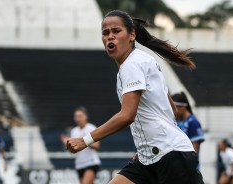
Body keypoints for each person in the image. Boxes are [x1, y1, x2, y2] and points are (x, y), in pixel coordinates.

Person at [66, 10, 204, 184]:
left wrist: (85, 140)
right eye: (106, 32)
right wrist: (147, 145)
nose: (110, 37)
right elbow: (172, 109)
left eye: (116, 31)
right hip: (149, 159)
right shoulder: (141, 61)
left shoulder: (132, 64)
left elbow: (127, 115)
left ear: (132, 35)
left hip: (172, 156)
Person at [61, 107, 100, 184]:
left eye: (80, 116)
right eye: (76, 116)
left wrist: (83, 141)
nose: (78, 118)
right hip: (79, 165)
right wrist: (68, 145)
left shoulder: (91, 128)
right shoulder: (74, 131)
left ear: (86, 116)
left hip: (91, 163)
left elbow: (96, 146)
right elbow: (73, 151)